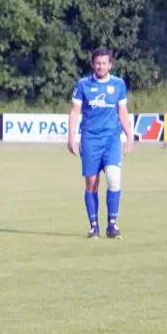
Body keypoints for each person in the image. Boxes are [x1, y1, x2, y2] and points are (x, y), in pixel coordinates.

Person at [67, 48, 132, 239]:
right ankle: (93, 226)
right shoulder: (83, 85)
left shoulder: (118, 84)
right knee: (92, 183)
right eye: (97, 63)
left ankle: (112, 224)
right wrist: (71, 136)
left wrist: (129, 136)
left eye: (104, 63)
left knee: (114, 178)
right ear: (92, 64)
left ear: (110, 65)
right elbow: (74, 112)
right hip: (90, 139)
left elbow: (122, 112)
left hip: (111, 138)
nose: (101, 66)